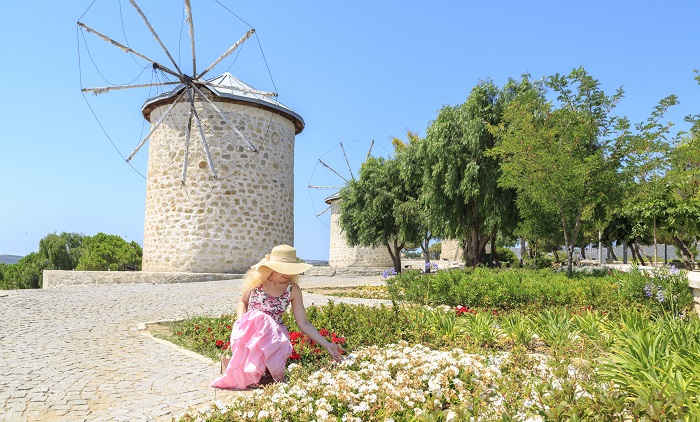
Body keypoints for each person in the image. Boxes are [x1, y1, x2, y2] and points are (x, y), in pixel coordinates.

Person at [211, 244, 344, 390]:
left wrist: (327, 345)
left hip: (274, 336)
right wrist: (240, 325)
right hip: (251, 330)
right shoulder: (257, 282)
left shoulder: (292, 289)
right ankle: (251, 371)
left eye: (290, 269)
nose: (287, 273)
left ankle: (260, 372)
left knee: (268, 328)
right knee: (260, 320)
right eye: (282, 267)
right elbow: (242, 302)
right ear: (272, 267)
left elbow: (304, 322)